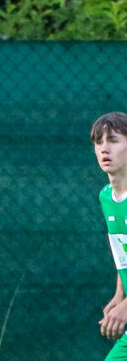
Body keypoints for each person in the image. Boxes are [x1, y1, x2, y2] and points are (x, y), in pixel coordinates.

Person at [93, 112, 127, 357]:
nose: (105, 149)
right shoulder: (106, 196)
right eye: (99, 142)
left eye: (113, 141)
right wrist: (120, 294)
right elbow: (123, 250)